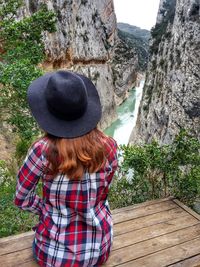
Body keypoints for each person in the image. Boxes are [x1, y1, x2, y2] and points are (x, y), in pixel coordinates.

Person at [14, 70, 118, 267]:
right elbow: (103, 192)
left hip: (54, 256)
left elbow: (21, 198)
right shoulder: (110, 146)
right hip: (99, 250)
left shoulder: (41, 151)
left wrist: (48, 209)